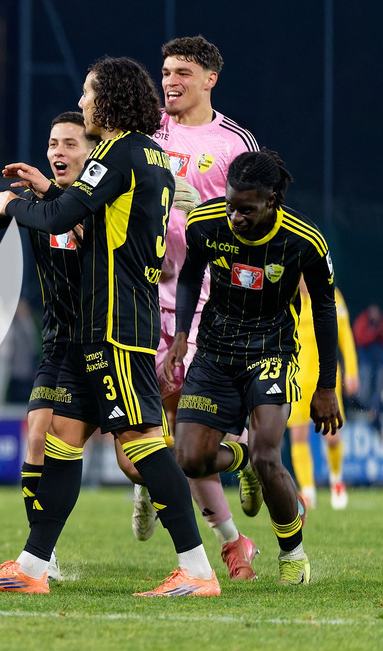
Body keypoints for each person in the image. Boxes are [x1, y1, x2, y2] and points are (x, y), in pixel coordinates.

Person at [0, 56, 219, 596]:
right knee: (61, 434)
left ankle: (197, 571)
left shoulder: (116, 150)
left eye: (87, 93)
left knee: (143, 441)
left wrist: (11, 204)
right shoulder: (149, 152)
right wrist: (44, 193)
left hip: (114, 320)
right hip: (102, 319)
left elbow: (61, 221)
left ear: (108, 99)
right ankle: (33, 568)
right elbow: (93, 218)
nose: (82, 103)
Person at [168, 149, 340, 585]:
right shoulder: (205, 223)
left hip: (271, 350)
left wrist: (326, 387)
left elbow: (323, 312)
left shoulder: (305, 242)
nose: (235, 216)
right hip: (214, 350)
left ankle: (292, 555)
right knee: (191, 458)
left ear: (272, 201)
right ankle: (240, 459)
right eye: (230, 205)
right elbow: (190, 276)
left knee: (269, 453)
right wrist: (183, 336)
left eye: (246, 209)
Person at [128, 35, 262, 582]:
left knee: (186, 423)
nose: (170, 81)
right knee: (146, 417)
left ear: (210, 78)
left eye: (183, 71)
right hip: (140, 290)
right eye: (165, 72)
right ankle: (224, 535)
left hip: (205, 300)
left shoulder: (234, 141)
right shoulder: (147, 134)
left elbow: (257, 215)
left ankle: (219, 508)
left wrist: (201, 205)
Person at [13, 111, 98, 584]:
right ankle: (39, 555)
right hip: (58, 341)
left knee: (134, 460)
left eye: (69, 144)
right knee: (36, 433)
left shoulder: (97, 205)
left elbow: (89, 235)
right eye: (52, 143)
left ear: (90, 154)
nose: (58, 152)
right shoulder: (40, 204)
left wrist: (49, 192)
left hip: (102, 341)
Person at [287, 281, 358, 510]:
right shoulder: (287, 295)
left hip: (325, 378)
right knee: (298, 436)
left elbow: (344, 333)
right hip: (296, 377)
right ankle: (308, 491)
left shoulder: (330, 293)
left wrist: (353, 371)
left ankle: (337, 480)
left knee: (333, 435)